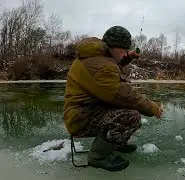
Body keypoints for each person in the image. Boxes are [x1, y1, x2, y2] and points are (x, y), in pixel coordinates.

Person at [63, 26, 164, 171]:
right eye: (124, 49)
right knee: (131, 116)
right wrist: (152, 108)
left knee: (126, 111)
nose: (125, 53)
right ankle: (98, 157)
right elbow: (123, 94)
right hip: (80, 119)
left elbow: (112, 65)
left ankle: (115, 142)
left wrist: (128, 56)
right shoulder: (101, 66)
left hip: (84, 110)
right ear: (114, 47)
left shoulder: (96, 56)